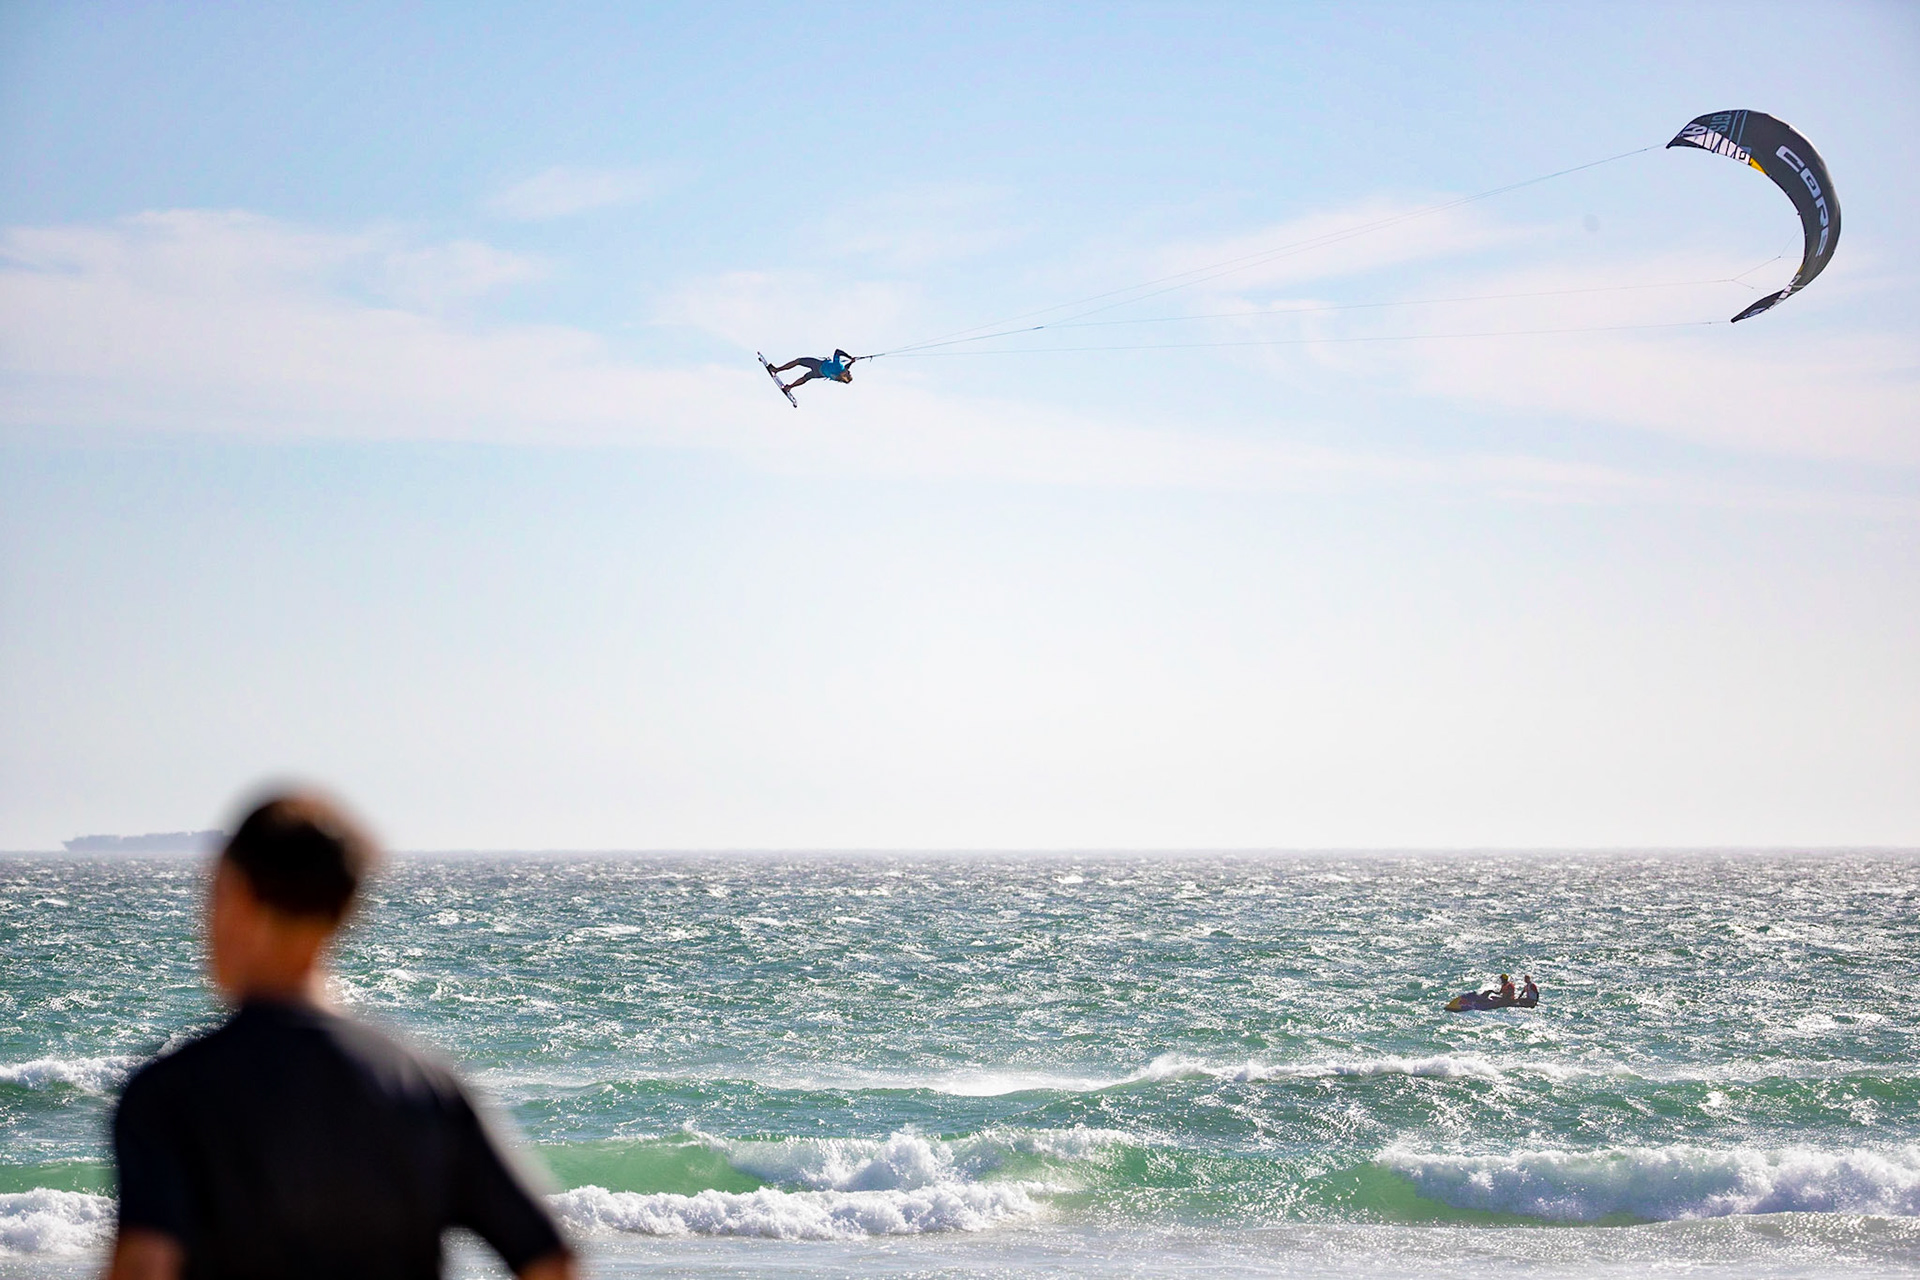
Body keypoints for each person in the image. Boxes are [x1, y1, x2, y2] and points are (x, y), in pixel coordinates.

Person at [107, 792, 575, 1280]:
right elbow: (549, 1259)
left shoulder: (170, 1095)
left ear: (240, 897)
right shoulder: (426, 1085)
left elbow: (144, 1266)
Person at [770, 348, 857, 393]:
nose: (849, 371)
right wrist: (851, 362)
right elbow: (846, 368)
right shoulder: (838, 377)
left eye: (849, 373)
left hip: (817, 365)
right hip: (819, 374)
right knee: (805, 378)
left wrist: (849, 357)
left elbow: (838, 351)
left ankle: (776, 370)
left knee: (798, 361)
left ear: (845, 374)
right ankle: (789, 387)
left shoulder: (838, 367)